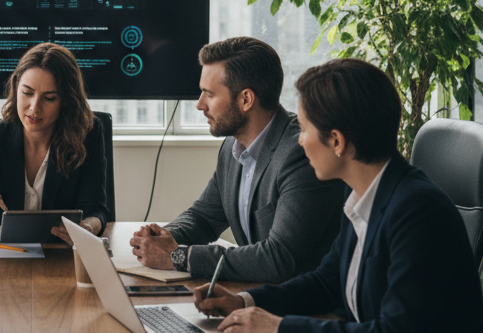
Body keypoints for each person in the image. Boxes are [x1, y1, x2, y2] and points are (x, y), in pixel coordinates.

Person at [198, 58, 483, 333]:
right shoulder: (364, 193)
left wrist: (277, 329)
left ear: (337, 142)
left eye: (304, 129)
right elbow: (327, 281)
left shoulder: (417, 210)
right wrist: (246, 302)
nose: (298, 140)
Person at [130, 37, 344, 282]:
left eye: (209, 94)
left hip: (301, 300)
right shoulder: (233, 146)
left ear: (246, 100)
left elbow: (279, 258)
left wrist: (180, 257)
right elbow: (204, 217)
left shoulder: (300, 153)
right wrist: (159, 238)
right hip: (254, 293)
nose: (199, 105)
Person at [0, 42, 108, 243]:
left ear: (66, 100)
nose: (34, 108)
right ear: (16, 88)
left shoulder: (87, 136)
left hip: (60, 253)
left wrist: (86, 228)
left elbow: (96, 210)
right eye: (27, 93)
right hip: (4, 254)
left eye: (49, 98)